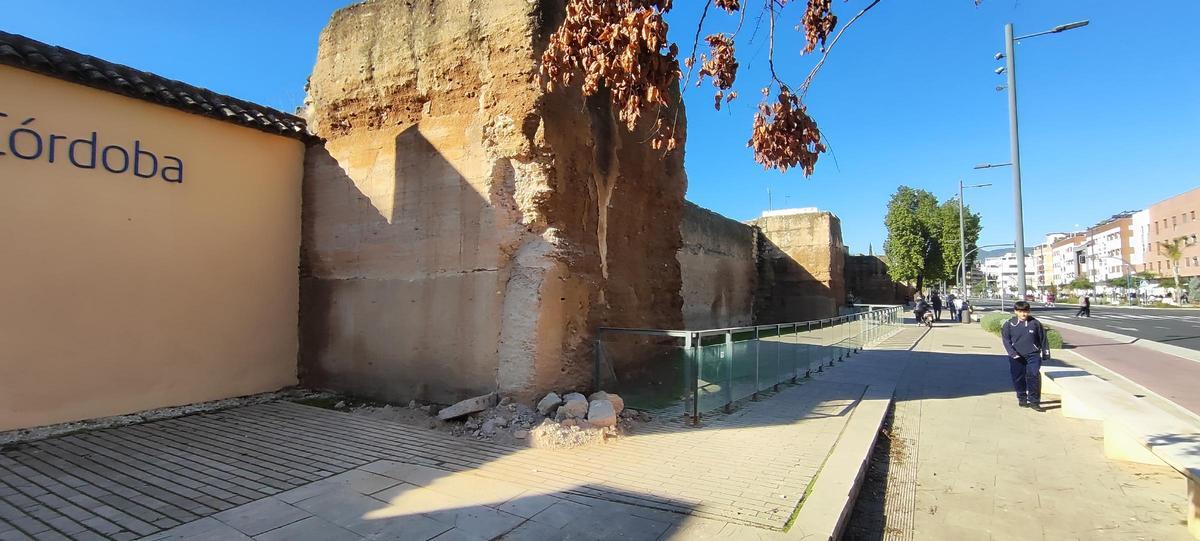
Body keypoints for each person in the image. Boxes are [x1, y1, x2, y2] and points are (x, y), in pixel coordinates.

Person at [1001, 301, 1050, 411]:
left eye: (1026, 311)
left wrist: (1046, 352)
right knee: (1018, 377)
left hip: (1033, 354)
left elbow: (1043, 339)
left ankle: (1034, 401)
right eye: (1021, 311)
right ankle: (1022, 398)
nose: (1023, 314)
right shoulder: (1009, 324)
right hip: (1016, 356)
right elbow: (1006, 340)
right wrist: (1012, 353)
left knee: (1033, 375)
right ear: (1015, 312)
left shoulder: (1035, 323)